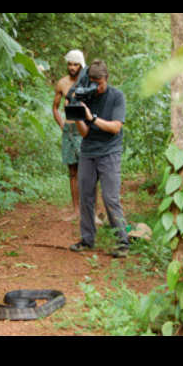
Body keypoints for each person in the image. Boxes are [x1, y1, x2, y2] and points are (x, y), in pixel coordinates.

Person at [68, 59, 130, 257]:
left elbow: (115, 127)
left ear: (107, 78)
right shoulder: (87, 95)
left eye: (100, 82)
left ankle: (123, 242)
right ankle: (87, 240)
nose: (97, 86)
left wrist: (92, 117)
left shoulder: (116, 96)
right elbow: (85, 133)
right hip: (88, 151)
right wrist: (78, 116)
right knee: (86, 196)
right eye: (93, 82)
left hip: (110, 152)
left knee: (110, 198)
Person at [52, 50, 103, 224]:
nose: (72, 67)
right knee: (73, 172)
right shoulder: (62, 83)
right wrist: (62, 124)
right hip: (69, 132)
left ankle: (94, 212)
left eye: (76, 64)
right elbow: (55, 107)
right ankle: (76, 211)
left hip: (84, 132)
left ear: (81, 65)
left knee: (89, 172)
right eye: (70, 64)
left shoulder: (88, 82)